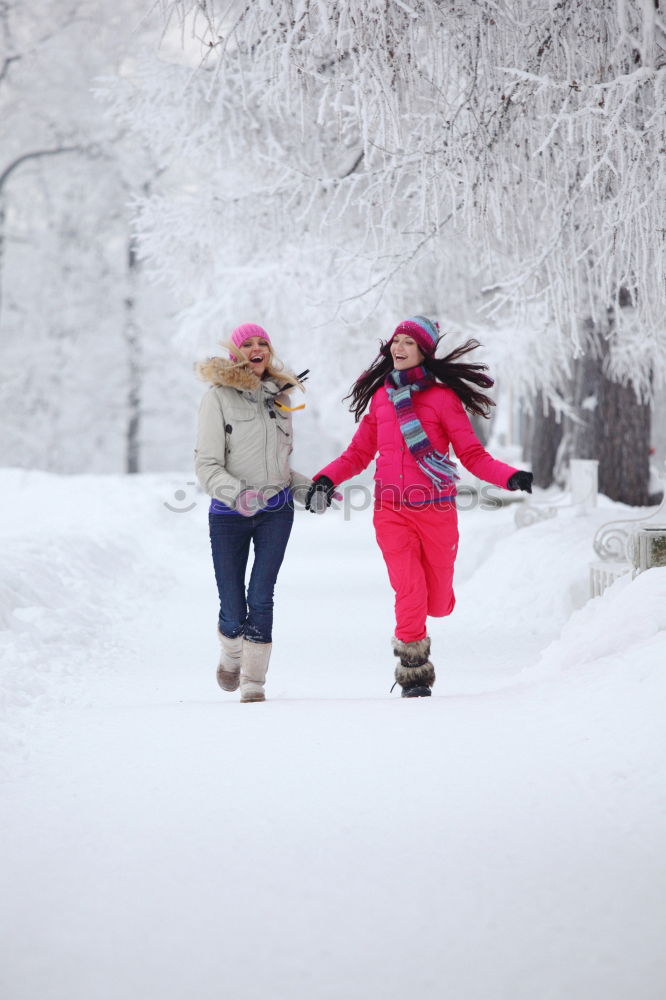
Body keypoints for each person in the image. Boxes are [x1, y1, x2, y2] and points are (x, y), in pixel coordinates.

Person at [306, 315, 533, 698]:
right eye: (396, 341)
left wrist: (509, 476)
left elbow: (472, 455)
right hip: (390, 509)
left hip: (436, 509)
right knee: (408, 588)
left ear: (424, 351)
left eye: (408, 343)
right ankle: (414, 670)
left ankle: (424, 625)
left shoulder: (444, 399)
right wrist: (325, 479)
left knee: (438, 599)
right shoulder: (382, 398)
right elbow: (359, 452)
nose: (399, 348)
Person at [195, 323, 311, 703]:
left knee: (262, 595)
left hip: (276, 510)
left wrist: (307, 488)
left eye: (263, 343)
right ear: (236, 353)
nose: (258, 348)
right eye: (248, 343)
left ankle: (254, 681)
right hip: (229, 514)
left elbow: (280, 465)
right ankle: (231, 650)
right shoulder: (218, 399)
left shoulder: (280, 398)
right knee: (232, 603)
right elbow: (207, 465)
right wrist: (238, 496)